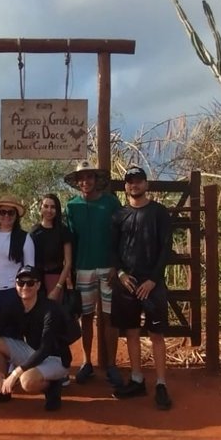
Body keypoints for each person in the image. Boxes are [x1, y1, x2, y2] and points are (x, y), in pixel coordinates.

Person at [110, 166, 174, 409]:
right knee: (132, 332)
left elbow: (166, 248)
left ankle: (161, 383)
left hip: (152, 283)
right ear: (125, 186)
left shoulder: (159, 212)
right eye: (130, 181)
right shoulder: (119, 215)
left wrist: (153, 280)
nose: (134, 185)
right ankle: (136, 379)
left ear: (146, 184)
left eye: (138, 181)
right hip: (127, 282)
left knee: (157, 334)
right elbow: (113, 249)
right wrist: (122, 274)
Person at [63, 160, 123, 387]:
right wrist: (70, 271)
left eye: (89, 177)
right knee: (86, 317)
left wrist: (117, 265)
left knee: (109, 317)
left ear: (96, 180)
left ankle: (112, 365)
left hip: (108, 267)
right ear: (77, 183)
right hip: (83, 268)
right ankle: (87, 362)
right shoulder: (72, 206)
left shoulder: (111, 203)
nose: (85, 182)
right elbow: (70, 241)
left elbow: (121, 236)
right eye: (81, 179)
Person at [0, 264, 71, 411]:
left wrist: (14, 374)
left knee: (26, 381)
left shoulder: (49, 310)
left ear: (38, 285)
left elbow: (45, 349)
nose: (25, 286)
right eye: (21, 282)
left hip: (56, 359)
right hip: (32, 351)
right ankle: (1, 392)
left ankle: (52, 386)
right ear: (15, 285)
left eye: (30, 283)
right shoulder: (15, 306)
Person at [0, 196, 35, 326]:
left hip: (12, 292)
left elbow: (30, 268)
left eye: (11, 212)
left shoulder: (24, 237)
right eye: (2, 212)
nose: (6, 216)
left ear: (16, 216)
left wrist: (26, 295)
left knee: (12, 334)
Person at [29, 192, 73, 299]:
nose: (49, 210)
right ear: (41, 208)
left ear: (57, 210)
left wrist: (58, 287)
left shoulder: (63, 231)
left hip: (56, 279)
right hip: (36, 280)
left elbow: (68, 263)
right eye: (46, 206)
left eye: (53, 207)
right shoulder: (33, 232)